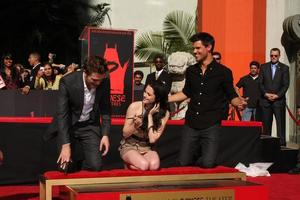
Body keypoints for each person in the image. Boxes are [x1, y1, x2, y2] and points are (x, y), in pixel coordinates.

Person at [168, 32, 247, 168]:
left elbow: (231, 95)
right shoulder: (191, 70)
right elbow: (186, 93)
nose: (195, 51)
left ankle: (203, 157)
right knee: (183, 162)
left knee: (208, 163)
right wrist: (165, 98)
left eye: (198, 48)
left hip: (211, 125)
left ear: (208, 47)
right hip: (191, 123)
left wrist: (239, 103)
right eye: (194, 48)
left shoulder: (224, 72)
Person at [44, 56, 111, 171]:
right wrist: (65, 145)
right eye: (94, 80)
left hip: (90, 125)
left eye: (100, 80)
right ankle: (72, 163)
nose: (98, 83)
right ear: (85, 72)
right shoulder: (67, 82)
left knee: (96, 166)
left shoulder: (104, 80)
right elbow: (62, 114)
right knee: (65, 168)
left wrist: (105, 134)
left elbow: (105, 108)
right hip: (69, 125)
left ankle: (80, 162)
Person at [119, 81, 170, 170]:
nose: (144, 95)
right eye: (145, 91)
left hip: (147, 147)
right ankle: (128, 164)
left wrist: (150, 116)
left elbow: (152, 139)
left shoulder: (165, 113)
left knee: (154, 166)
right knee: (144, 166)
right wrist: (136, 125)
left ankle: (135, 165)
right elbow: (125, 134)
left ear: (157, 98)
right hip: (130, 145)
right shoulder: (135, 106)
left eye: (149, 94)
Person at [259, 48, 290, 146]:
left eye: (275, 55)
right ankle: (266, 146)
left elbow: (286, 84)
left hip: (278, 101)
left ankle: (281, 146)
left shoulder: (284, 68)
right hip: (266, 101)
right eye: (272, 55)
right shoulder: (263, 67)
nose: (273, 57)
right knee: (266, 126)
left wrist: (277, 95)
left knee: (280, 126)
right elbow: (260, 83)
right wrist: (266, 94)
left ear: (279, 56)